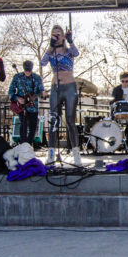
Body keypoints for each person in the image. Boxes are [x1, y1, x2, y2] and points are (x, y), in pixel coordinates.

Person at [40, 25, 81, 166]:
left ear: (62, 36)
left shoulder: (69, 51)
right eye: (53, 34)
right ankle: (51, 153)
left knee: (70, 120)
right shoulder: (51, 52)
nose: (56, 36)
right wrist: (50, 46)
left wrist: (70, 40)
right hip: (56, 87)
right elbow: (42, 62)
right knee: (53, 120)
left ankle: (76, 154)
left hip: (69, 86)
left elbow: (76, 53)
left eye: (58, 34)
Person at [8, 60, 45, 147]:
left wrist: (43, 94)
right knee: (23, 125)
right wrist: (17, 98)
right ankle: (23, 145)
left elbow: (41, 92)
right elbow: (10, 91)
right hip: (22, 107)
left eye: (29, 70)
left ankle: (28, 145)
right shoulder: (17, 77)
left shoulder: (37, 78)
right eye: (26, 70)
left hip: (33, 107)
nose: (27, 72)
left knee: (33, 128)